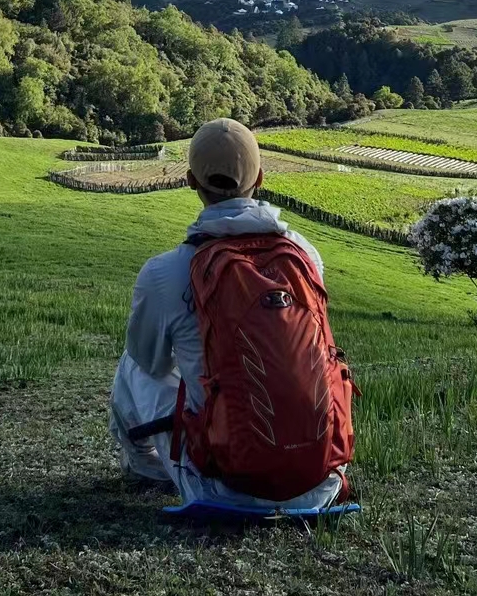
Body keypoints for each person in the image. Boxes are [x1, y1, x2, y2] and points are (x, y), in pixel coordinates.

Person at [109, 118, 349, 511]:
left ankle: (146, 468)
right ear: (261, 178)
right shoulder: (304, 255)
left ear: (190, 180)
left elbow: (150, 360)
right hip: (318, 478)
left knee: (132, 364)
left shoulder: (164, 272)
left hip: (223, 486)